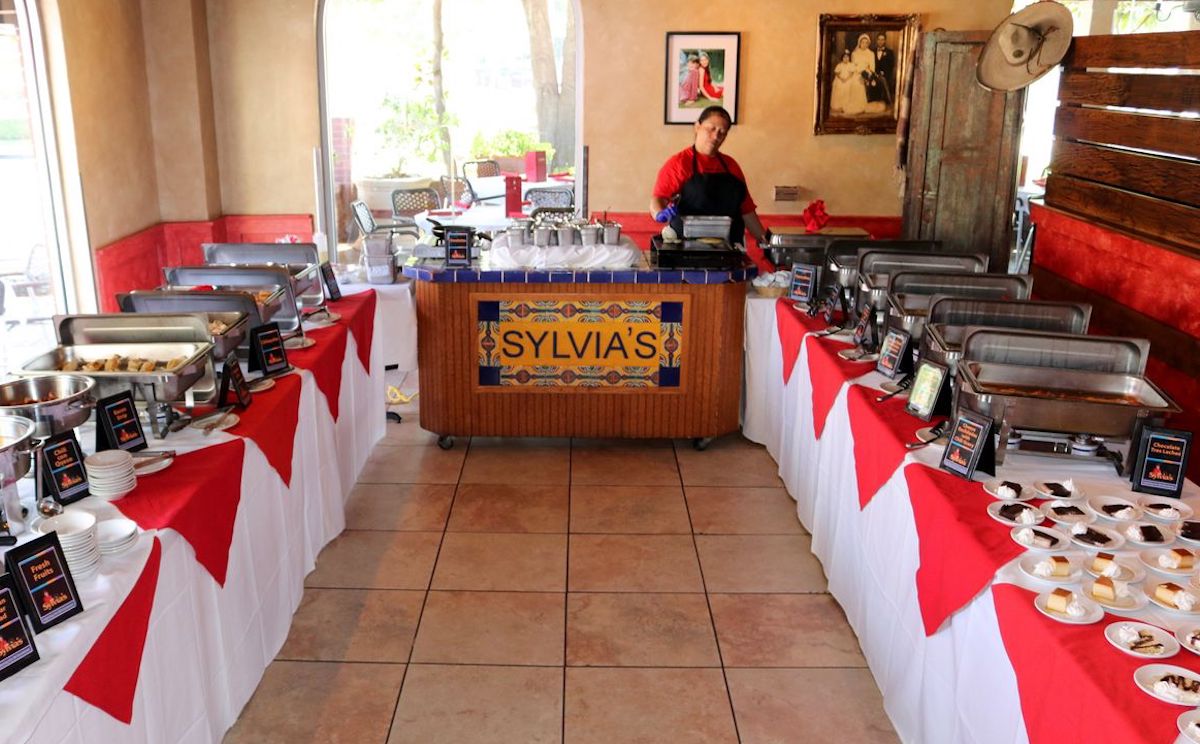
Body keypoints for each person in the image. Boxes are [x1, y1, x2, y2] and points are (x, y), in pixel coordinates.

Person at [650, 105, 771, 272]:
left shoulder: (731, 166)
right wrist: (659, 213)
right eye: (711, 129)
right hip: (686, 257)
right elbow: (658, 198)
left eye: (722, 132)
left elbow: (747, 210)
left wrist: (767, 243)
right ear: (697, 126)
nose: (716, 136)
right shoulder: (679, 163)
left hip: (729, 255)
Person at [831, 49, 866, 115]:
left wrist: (847, 78)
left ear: (849, 58)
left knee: (848, 88)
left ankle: (846, 104)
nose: (846, 59)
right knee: (839, 88)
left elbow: (852, 73)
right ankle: (839, 105)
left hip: (848, 79)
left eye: (847, 57)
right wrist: (841, 78)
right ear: (842, 58)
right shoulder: (840, 65)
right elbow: (837, 73)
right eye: (844, 57)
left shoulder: (850, 65)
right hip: (841, 79)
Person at [868, 32, 895, 106]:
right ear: (876, 40)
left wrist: (883, 72)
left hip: (885, 74)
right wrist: (874, 72)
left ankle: (889, 101)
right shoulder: (872, 51)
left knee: (883, 80)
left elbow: (891, 65)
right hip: (874, 73)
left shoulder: (889, 52)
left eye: (882, 39)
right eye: (879, 39)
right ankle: (871, 100)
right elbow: (869, 63)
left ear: (885, 41)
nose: (880, 41)